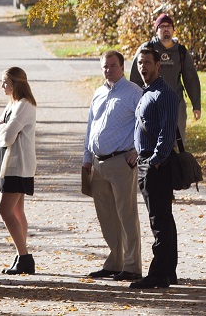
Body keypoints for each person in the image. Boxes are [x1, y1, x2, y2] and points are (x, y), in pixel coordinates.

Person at [82, 51, 144, 282]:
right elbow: (91, 127)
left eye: (113, 66)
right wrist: (86, 158)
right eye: (105, 67)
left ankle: (132, 265)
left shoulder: (133, 93)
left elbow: (145, 123)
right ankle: (115, 261)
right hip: (98, 163)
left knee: (126, 215)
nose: (109, 70)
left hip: (121, 162)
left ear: (122, 66)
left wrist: (138, 149)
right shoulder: (98, 93)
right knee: (106, 216)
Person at [130, 45, 180, 289]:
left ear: (158, 65)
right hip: (146, 161)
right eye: (140, 63)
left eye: (147, 63)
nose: (143, 67)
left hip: (156, 165)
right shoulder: (146, 91)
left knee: (159, 221)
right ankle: (168, 271)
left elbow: (167, 132)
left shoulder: (165, 94)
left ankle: (159, 273)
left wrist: (154, 162)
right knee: (163, 220)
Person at [128, 13, 201, 140]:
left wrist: (196, 105)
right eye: (161, 26)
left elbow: (191, 79)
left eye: (168, 26)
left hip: (175, 103)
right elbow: (135, 77)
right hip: (152, 102)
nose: (165, 29)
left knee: (177, 141)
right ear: (157, 30)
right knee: (152, 139)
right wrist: (135, 102)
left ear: (173, 30)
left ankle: (176, 160)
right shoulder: (147, 49)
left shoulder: (181, 52)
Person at [0, 66, 38, 275]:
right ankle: (22, 255)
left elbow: (6, 137)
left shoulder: (24, 105)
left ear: (15, 83)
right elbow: (4, 130)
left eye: (5, 82)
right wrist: (3, 126)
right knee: (16, 210)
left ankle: (24, 256)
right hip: (9, 163)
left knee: (4, 210)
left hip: (18, 164)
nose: (2, 86)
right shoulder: (11, 104)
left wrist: (1, 127)